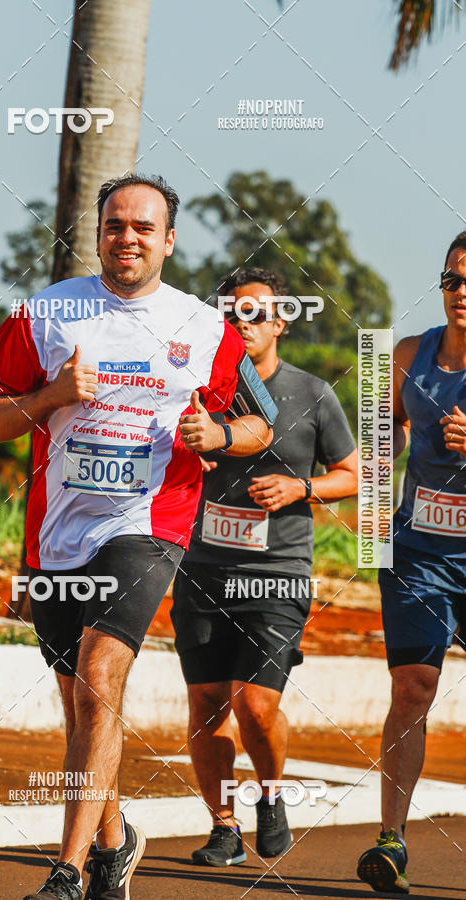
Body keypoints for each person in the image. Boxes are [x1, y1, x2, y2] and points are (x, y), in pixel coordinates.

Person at [0, 175, 279, 900]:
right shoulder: (45, 315)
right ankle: (114, 842)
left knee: (101, 674)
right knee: (80, 697)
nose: (128, 237)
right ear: (99, 234)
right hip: (56, 532)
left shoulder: (206, 331)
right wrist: (51, 397)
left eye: (145, 227)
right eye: (115, 225)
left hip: (150, 522)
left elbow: (263, 424)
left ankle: (66, 871)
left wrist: (222, 432)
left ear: (169, 240)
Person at [171, 266, 358, 868]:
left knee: (255, 707)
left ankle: (271, 794)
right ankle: (223, 826)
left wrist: (300, 488)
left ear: (280, 322)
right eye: (231, 313)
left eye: (254, 313)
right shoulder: (198, 389)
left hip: (277, 571)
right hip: (202, 568)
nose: (241, 323)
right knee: (206, 703)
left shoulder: (312, 395)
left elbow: (357, 475)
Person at [357, 232, 466, 895]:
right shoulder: (405, 355)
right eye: (453, 279)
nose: (462, 293)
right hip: (419, 551)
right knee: (413, 690)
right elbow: (379, 441)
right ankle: (391, 842)